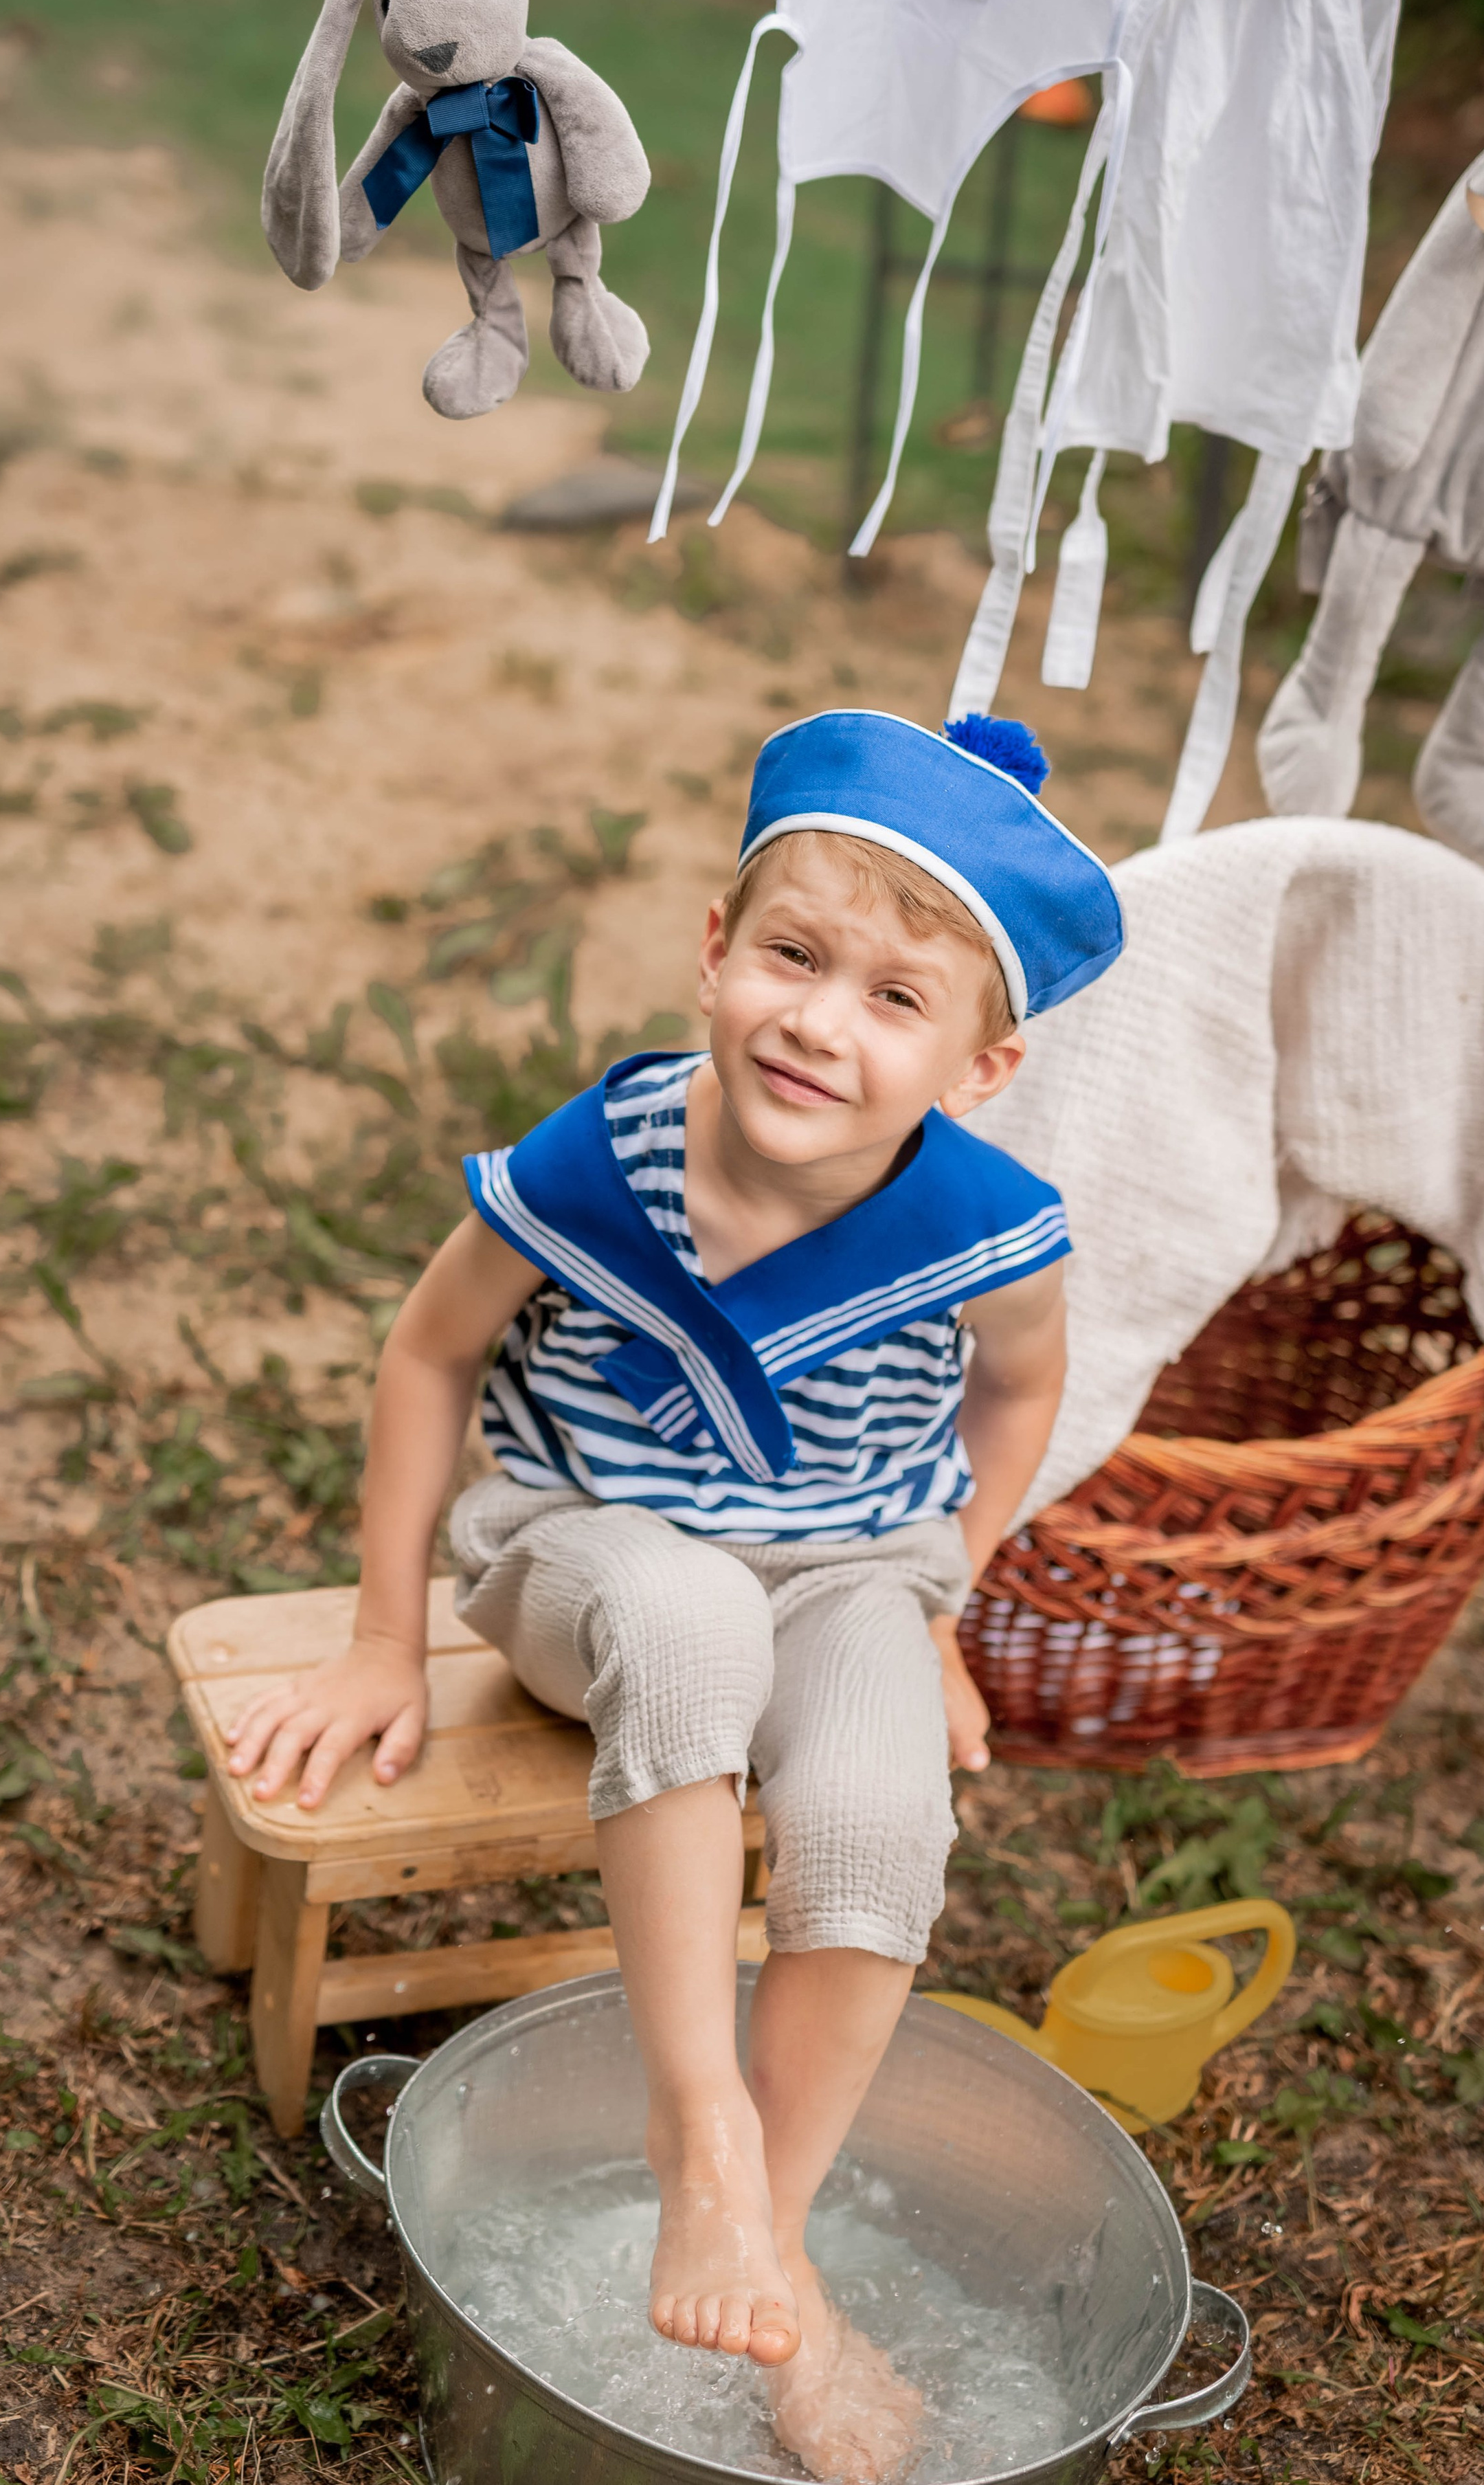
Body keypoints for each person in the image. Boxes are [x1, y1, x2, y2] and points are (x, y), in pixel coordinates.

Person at [224, 709, 1123, 2480]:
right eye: (794, 956)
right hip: (590, 1559)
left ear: (984, 1065)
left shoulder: (986, 1226)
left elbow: (1021, 1392)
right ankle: (699, 2128)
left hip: (851, 1567)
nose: (819, 1022)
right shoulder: (606, 1157)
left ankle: (765, 2243)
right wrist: (385, 1633)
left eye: (896, 1000)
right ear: (715, 951)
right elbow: (428, 1354)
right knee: (690, 1617)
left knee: (877, 1803)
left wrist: (945, 1596)